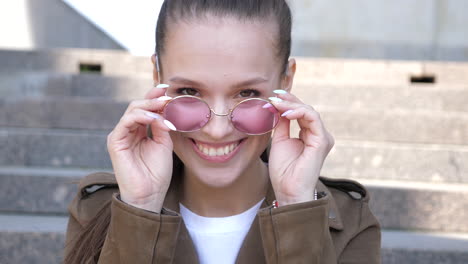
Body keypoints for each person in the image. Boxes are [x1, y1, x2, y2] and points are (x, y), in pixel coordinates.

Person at [64, 0, 381, 263]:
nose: (216, 129)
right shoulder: (99, 211)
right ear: (156, 74)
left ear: (286, 81)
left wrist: (296, 206)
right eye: (189, 91)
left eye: (248, 94)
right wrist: (141, 209)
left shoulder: (349, 223)